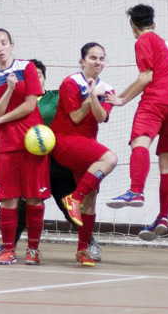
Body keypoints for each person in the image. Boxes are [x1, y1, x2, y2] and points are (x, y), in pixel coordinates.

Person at [0, 59, 103, 262]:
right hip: (30, 159)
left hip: (56, 161)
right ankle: (9, 245)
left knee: (68, 204)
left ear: (42, 77)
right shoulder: (20, 102)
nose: (36, 78)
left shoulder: (56, 97)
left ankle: (89, 243)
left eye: (39, 74)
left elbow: (75, 111)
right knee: (22, 205)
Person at [105, 4, 168, 241]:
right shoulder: (164, 42)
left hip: (157, 100)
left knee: (140, 141)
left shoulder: (143, 40)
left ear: (133, 27)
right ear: (154, 23)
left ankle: (135, 191)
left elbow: (146, 77)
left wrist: (120, 99)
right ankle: (163, 217)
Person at [0, 28, 50, 266]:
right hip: (4, 145)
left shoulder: (27, 68)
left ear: (12, 45)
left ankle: (33, 249)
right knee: (8, 200)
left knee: (34, 199)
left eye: (3, 43)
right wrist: (9, 90)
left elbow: (31, 105)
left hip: (33, 143)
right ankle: (8, 249)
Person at [52, 43, 117, 266]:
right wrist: (90, 96)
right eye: (93, 58)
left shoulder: (108, 89)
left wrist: (95, 95)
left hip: (87, 144)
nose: (98, 62)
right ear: (82, 61)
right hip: (65, 140)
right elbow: (77, 118)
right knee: (110, 158)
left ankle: (82, 250)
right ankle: (73, 198)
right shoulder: (70, 83)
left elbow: (100, 118)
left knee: (91, 199)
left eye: (102, 58)